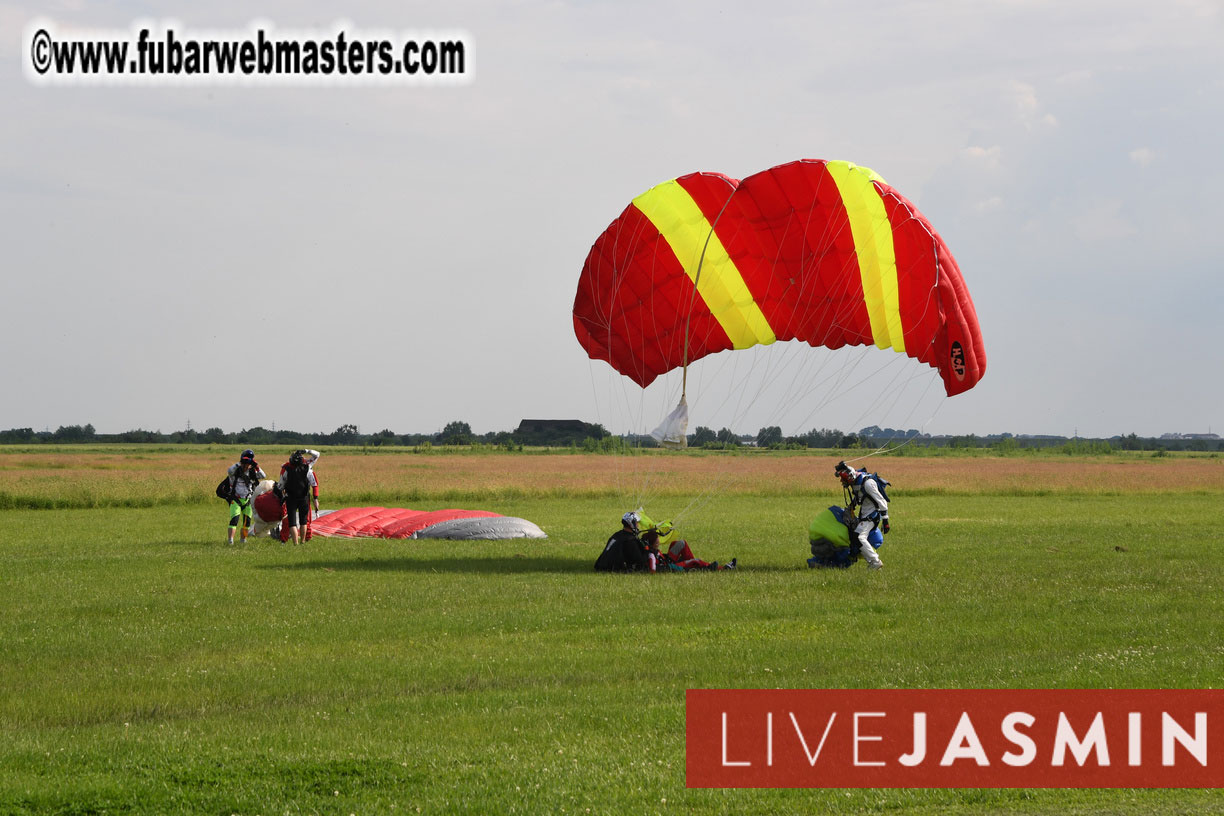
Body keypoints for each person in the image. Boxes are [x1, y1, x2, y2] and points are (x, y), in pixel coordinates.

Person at [835, 460, 889, 570]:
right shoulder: (856, 482)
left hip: (872, 516)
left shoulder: (868, 483)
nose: (842, 481)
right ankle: (863, 560)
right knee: (854, 537)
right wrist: (852, 506)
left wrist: (885, 521)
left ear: (850, 477)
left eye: (843, 479)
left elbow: (882, 501)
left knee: (860, 538)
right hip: (865, 514)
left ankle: (875, 562)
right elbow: (860, 495)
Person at [639, 513, 736, 571]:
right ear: (654, 543)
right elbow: (653, 570)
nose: (659, 541)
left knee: (681, 543)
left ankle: (692, 565)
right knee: (695, 561)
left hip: (667, 559)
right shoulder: (651, 554)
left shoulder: (652, 550)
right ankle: (722, 568)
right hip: (669, 566)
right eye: (657, 539)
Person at [278, 449, 320, 544]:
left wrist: (281, 495)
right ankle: (303, 541)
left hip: (291, 498)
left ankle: (295, 543)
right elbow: (314, 484)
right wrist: (315, 498)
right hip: (304, 498)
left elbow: (281, 485)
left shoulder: (286, 469)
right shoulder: (307, 468)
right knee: (303, 521)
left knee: (292, 523)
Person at [224, 449, 267, 544]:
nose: (246, 466)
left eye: (248, 463)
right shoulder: (235, 472)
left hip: (248, 500)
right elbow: (229, 470)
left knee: (247, 522)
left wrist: (256, 466)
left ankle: (243, 540)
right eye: (245, 463)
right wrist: (240, 462)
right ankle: (230, 541)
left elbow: (263, 475)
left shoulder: (252, 472)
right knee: (234, 519)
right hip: (236, 499)